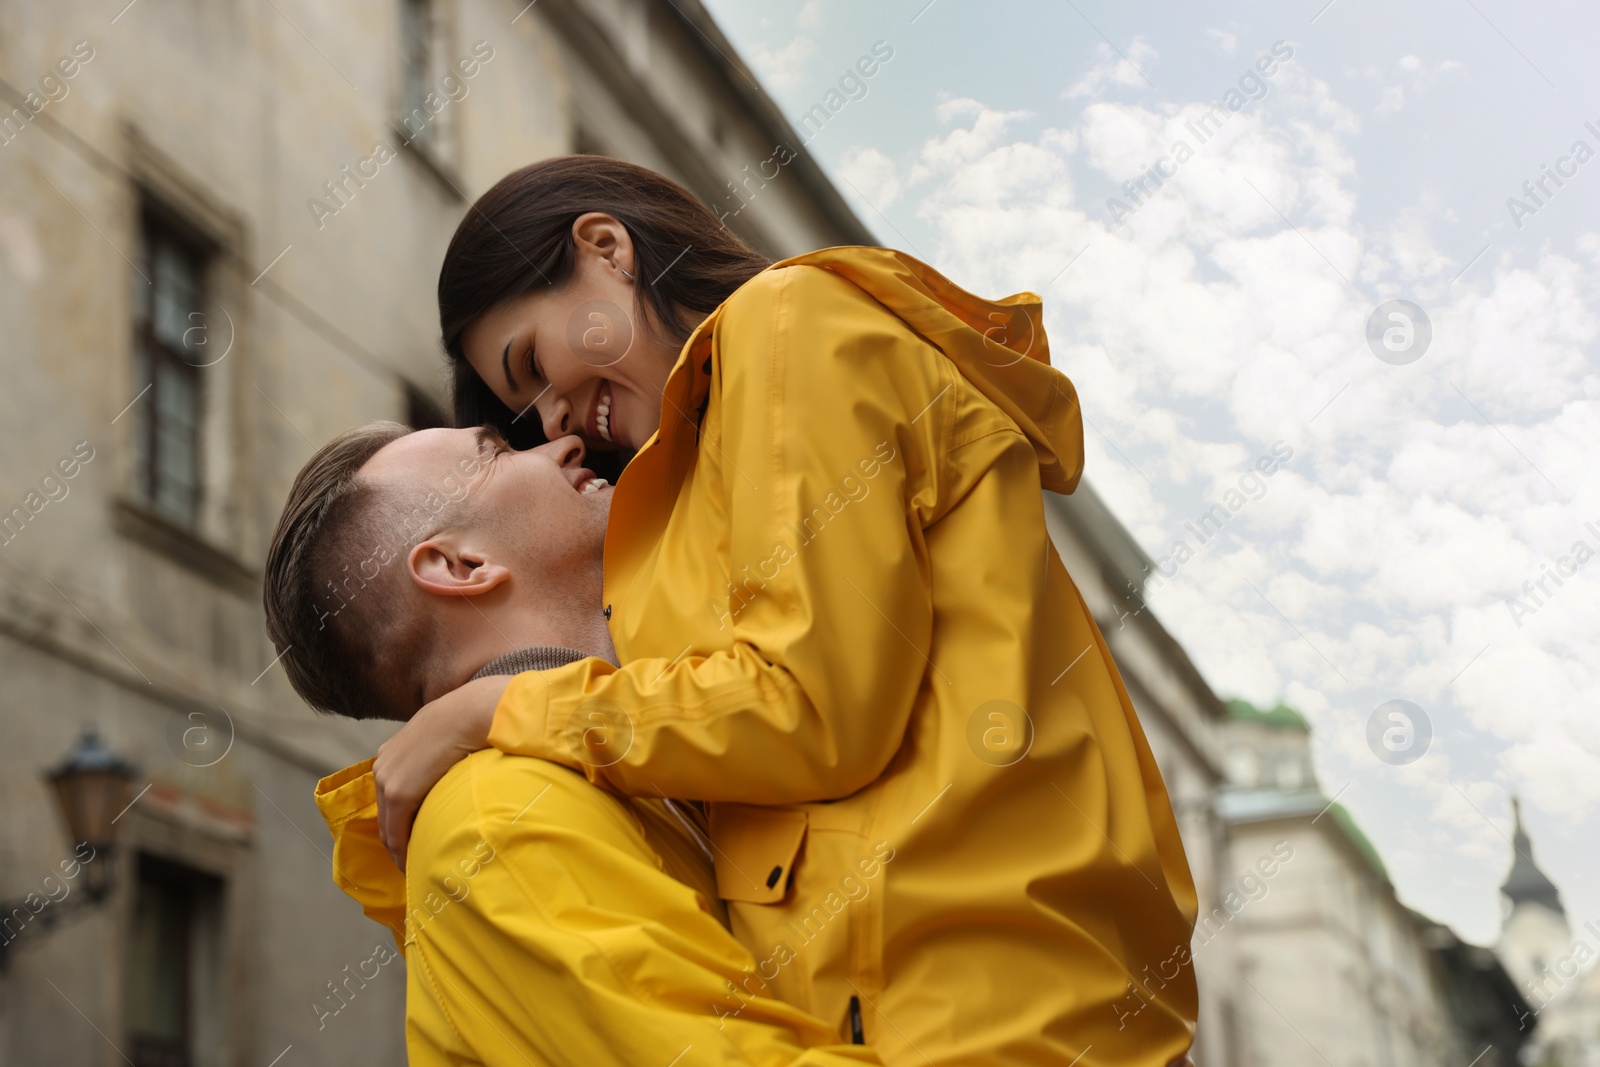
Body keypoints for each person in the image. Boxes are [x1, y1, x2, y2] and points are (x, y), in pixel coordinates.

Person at [372, 156, 1201, 1064]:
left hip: (986, 1002)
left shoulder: (788, 321)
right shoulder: (693, 475)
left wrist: (493, 709)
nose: (560, 419)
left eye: (534, 364)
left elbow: (810, 703)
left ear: (606, 249)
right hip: (917, 1004)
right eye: (526, 413)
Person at [266, 421, 884, 1066]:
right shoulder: (498, 823)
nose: (563, 444)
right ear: (461, 566)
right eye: (498, 453)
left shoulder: (624, 761)